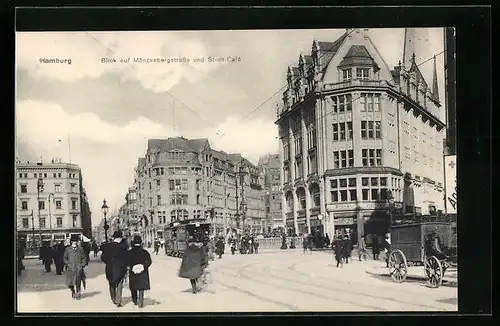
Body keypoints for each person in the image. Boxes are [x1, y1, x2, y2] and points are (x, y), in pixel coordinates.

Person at [101, 231, 129, 307]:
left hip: (110, 268)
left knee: (111, 284)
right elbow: (127, 258)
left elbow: (102, 257)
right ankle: (118, 301)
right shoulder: (123, 247)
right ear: (120, 238)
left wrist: (108, 262)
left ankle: (113, 298)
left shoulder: (107, 246)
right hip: (120, 268)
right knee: (119, 285)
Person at [126, 235, 152, 308]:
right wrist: (144, 266)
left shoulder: (130, 252)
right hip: (142, 272)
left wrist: (131, 267)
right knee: (141, 287)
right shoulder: (145, 252)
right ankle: (140, 302)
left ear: (134, 243)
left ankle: (134, 300)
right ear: (141, 243)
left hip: (133, 272)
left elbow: (127, 262)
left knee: (133, 287)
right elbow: (149, 262)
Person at [63, 235, 87, 299]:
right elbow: (65, 258)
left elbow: (84, 258)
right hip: (70, 269)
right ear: (71, 242)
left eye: (76, 241)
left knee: (78, 283)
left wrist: (82, 265)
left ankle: (78, 294)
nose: (75, 242)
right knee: (70, 284)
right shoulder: (67, 249)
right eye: (73, 241)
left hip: (78, 269)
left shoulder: (80, 249)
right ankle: (73, 291)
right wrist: (68, 264)